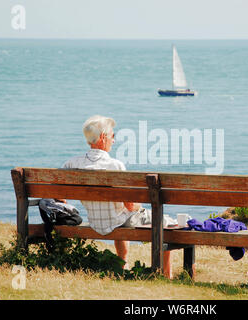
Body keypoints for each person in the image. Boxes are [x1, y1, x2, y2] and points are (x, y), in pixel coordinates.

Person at [61, 115, 173, 278]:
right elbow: (129, 206)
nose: (114, 140)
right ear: (103, 137)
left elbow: (57, 194)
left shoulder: (71, 164)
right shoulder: (115, 166)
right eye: (113, 136)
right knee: (167, 223)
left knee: (118, 213)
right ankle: (165, 275)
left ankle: (123, 263)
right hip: (117, 220)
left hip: (95, 220)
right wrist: (138, 206)